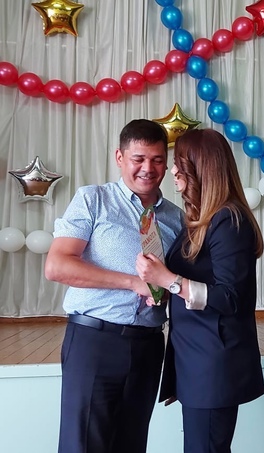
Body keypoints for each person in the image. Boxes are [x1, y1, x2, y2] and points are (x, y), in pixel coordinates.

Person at [45, 119, 184, 453]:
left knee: (132, 445)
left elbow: (176, 286)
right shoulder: (93, 199)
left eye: (157, 160)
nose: (148, 168)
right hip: (94, 341)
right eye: (138, 158)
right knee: (83, 445)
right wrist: (134, 283)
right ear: (119, 157)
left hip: (149, 345)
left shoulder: (176, 218)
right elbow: (57, 265)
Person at [135, 128, 264, 453]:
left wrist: (169, 280)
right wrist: (163, 288)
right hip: (196, 359)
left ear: (200, 168)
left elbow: (231, 298)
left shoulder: (229, 220)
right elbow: (199, 283)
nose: (173, 171)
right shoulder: (202, 219)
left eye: (179, 162)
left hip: (212, 364)